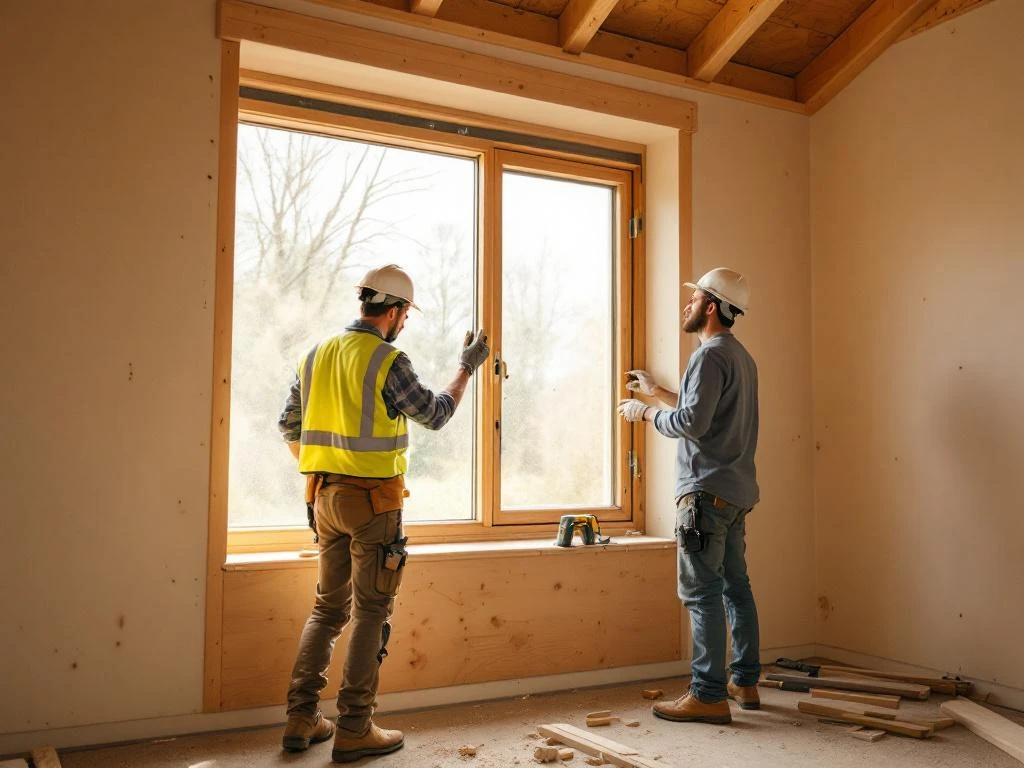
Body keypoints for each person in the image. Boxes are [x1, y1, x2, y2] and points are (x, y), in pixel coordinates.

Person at [277, 264, 489, 762]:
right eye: (405, 315)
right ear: (393, 312)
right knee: (372, 611)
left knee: (328, 609)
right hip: (373, 503)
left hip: (322, 498)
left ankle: (301, 717)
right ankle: (354, 726)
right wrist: (467, 367)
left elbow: (289, 425)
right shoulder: (386, 359)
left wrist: (325, 470)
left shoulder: (316, 354)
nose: (404, 324)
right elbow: (435, 413)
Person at [617, 267, 760, 725]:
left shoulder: (707, 357)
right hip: (736, 493)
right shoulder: (739, 357)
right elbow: (706, 412)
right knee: (736, 589)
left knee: (702, 594)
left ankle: (708, 694)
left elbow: (692, 425)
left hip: (704, 495)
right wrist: (657, 392)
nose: (687, 305)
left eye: (694, 298)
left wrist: (643, 414)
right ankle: (744, 680)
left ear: (711, 306)